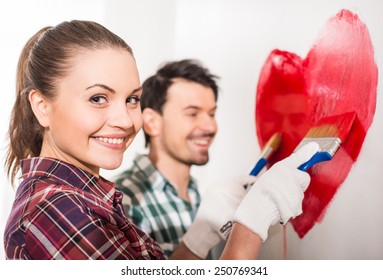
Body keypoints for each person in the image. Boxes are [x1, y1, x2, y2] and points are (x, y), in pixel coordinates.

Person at [3, 20, 319, 260]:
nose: (126, 121)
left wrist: (197, 239)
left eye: (131, 99)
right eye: (98, 98)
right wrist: (250, 227)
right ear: (42, 107)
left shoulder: (89, 200)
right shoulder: (56, 208)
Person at [114, 59, 220, 257]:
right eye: (193, 114)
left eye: (212, 114)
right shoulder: (124, 200)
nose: (210, 127)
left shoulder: (194, 191)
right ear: (152, 122)